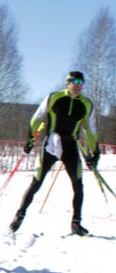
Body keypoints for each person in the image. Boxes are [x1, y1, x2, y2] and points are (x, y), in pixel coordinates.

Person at [9, 71, 100, 235]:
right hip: (52, 143)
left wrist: (95, 152)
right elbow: (37, 117)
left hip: (71, 145)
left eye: (81, 82)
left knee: (78, 185)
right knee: (37, 182)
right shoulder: (54, 97)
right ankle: (19, 216)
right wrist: (30, 139)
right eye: (75, 81)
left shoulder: (87, 104)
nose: (78, 85)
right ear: (68, 82)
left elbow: (90, 130)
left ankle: (76, 223)